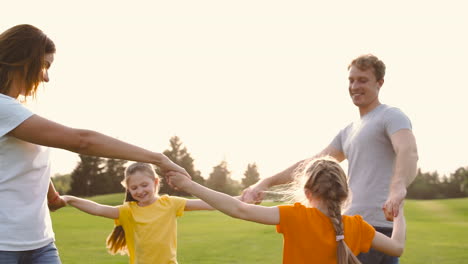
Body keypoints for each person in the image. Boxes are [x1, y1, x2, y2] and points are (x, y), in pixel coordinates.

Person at [0, 24, 188, 264]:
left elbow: (25, 161)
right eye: (45, 65)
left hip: (40, 242)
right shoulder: (3, 108)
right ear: (23, 60)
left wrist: (52, 195)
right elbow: (83, 141)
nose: (46, 77)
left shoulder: (15, 111)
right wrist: (158, 158)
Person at [241, 54, 418, 264]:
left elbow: (408, 151)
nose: (354, 86)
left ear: (380, 83)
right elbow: (310, 166)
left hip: (376, 228)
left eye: (363, 80)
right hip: (352, 228)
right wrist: (266, 181)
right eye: (351, 80)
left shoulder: (391, 115)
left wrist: (398, 188)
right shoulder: (349, 131)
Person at [167, 157, 406, 264]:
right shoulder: (356, 226)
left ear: (308, 192)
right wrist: (399, 214)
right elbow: (397, 247)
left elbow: (239, 209)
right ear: (345, 193)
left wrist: (189, 185)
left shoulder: (295, 215)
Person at [62, 162, 212, 264]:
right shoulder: (128, 211)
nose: (140, 191)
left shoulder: (170, 203)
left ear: (155, 182)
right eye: (134, 188)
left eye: (144, 185)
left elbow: (207, 203)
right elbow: (98, 209)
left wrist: (235, 200)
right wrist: (70, 199)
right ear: (128, 189)